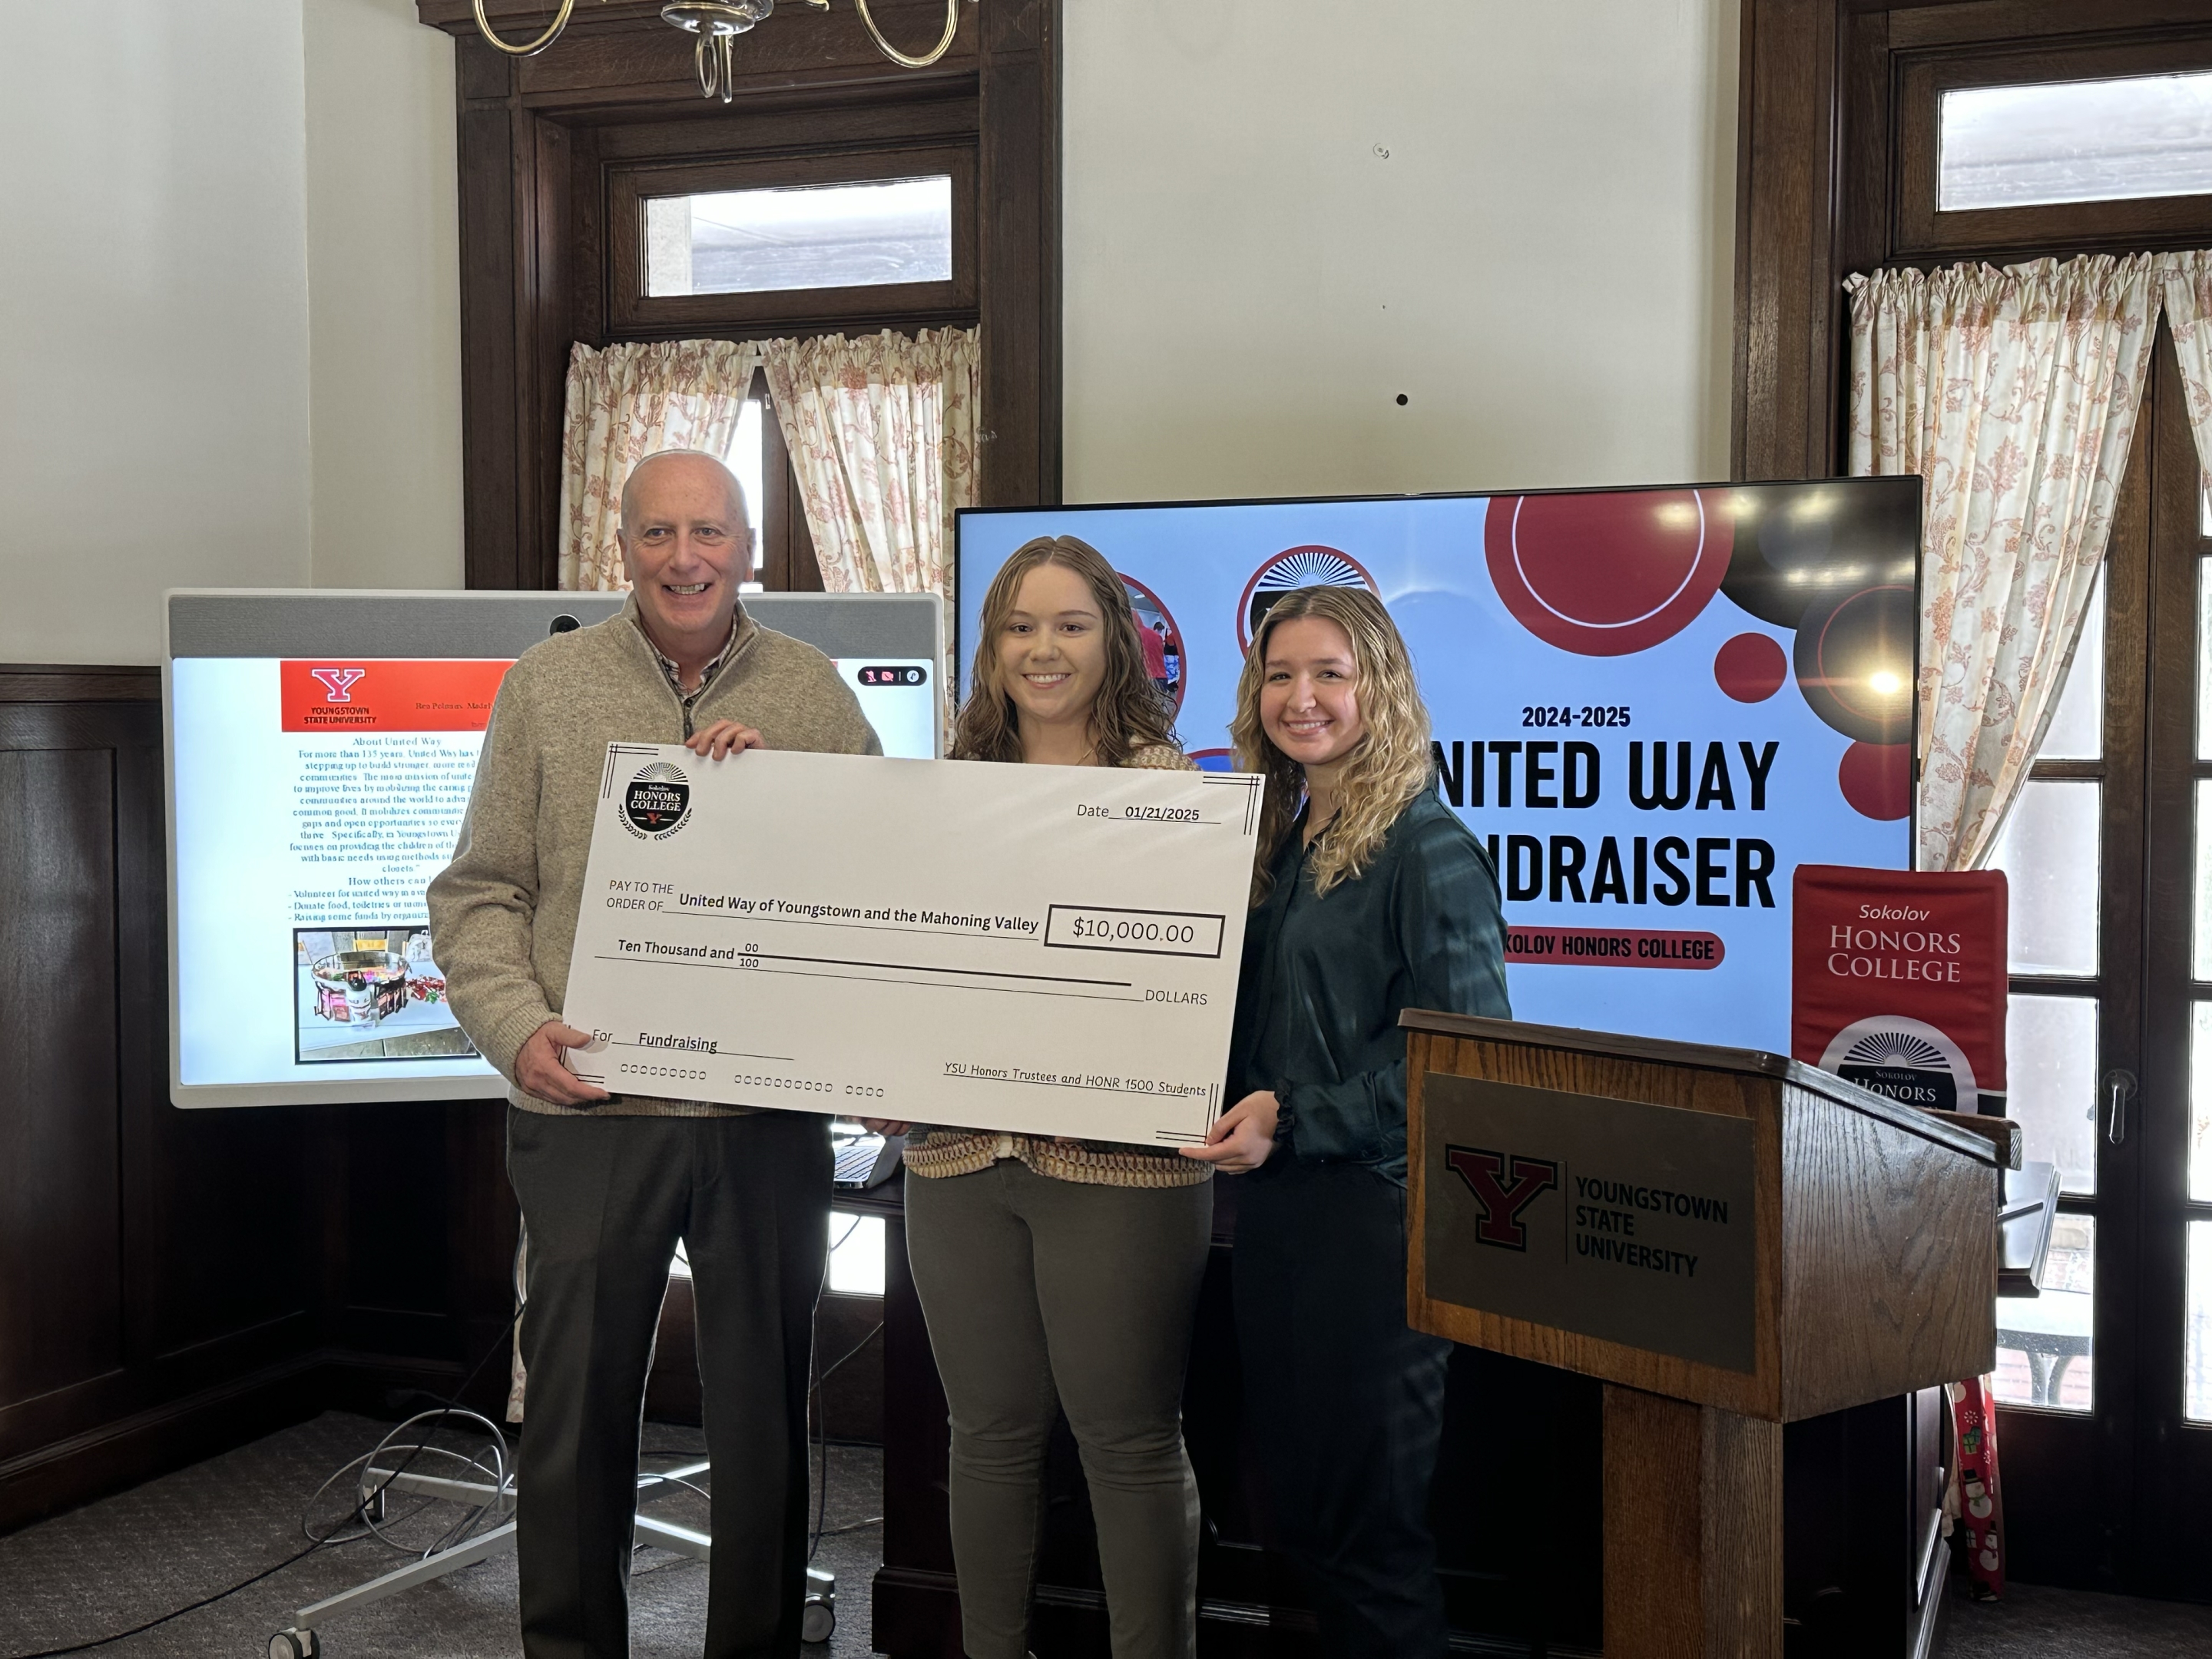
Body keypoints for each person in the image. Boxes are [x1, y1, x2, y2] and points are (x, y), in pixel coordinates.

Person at [429, 449, 881, 1659]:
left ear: (750, 549)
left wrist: (779, 799)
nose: (687, 558)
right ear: (620, 547)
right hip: (589, 1119)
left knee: (763, 1427)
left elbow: (876, 882)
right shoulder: (545, 687)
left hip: (762, 1126)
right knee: (571, 1422)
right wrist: (519, 1033)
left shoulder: (816, 696)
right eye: (659, 534)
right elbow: (477, 896)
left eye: (711, 533)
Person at [866, 535, 1211, 1659]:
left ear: (1115, 636)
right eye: (1020, 626)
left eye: (1070, 624)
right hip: (958, 1166)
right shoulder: (946, 793)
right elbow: (903, 962)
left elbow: (1187, 992)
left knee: (1128, 1441)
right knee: (988, 1438)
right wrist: (874, 1071)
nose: (1043, 649)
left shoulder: (1172, 794)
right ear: (991, 646)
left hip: (1119, 1173)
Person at [1182, 585, 1508, 1658]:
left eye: (1330, 673)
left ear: (1381, 687)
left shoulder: (1429, 846)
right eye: (1280, 675)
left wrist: (1298, 1114)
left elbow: (1464, 1066)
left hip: (1378, 1231)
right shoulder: (1281, 834)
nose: (1302, 697)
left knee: (1369, 1537)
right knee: (1313, 1524)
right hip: (1281, 1221)